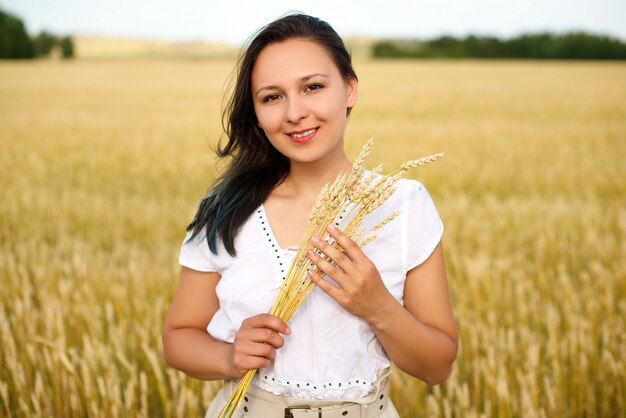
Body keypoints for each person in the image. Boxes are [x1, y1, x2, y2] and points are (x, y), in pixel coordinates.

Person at [162, 13, 458, 418]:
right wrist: (229, 357)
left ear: (349, 89)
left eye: (313, 87)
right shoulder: (225, 210)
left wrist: (377, 305)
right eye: (272, 97)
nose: (294, 113)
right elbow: (178, 337)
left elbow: (438, 365)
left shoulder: (403, 206)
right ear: (256, 110)